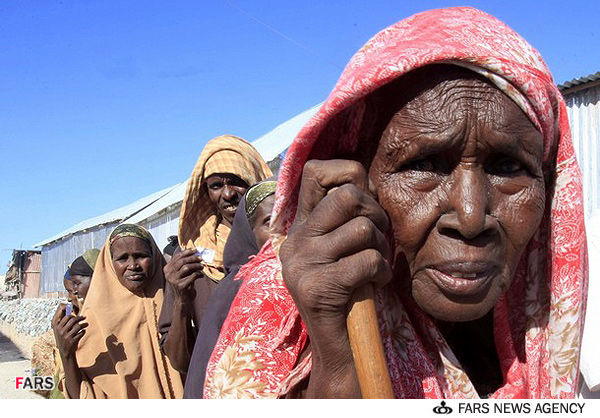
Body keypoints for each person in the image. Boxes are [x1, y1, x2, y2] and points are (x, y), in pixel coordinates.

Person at [203, 7, 587, 399]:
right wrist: (336, 359)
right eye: (422, 164)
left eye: (507, 167)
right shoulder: (283, 307)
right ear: (356, 179)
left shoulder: (549, 310)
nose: (471, 218)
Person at [159, 135, 272, 373]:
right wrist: (181, 300)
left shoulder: (281, 242)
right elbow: (180, 362)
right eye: (216, 186)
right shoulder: (189, 260)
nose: (228, 194)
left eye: (236, 182)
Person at [53, 224, 183, 398]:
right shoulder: (92, 319)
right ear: (109, 264)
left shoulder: (175, 298)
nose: (133, 265)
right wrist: (66, 353)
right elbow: (84, 396)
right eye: (123, 258)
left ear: (155, 257)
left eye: (141, 256)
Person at [183, 179, 276, 398]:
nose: (283, 229)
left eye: (292, 216)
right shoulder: (233, 291)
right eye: (270, 221)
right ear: (249, 233)